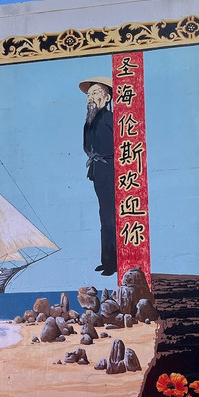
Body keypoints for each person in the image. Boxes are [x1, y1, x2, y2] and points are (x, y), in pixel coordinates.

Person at [81, 77, 116, 276]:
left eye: (95, 93)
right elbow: (86, 147)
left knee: (111, 216)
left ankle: (114, 263)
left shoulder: (111, 118)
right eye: (88, 95)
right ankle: (107, 260)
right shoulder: (89, 121)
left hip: (110, 169)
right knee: (104, 216)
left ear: (107, 97)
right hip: (98, 171)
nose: (90, 98)